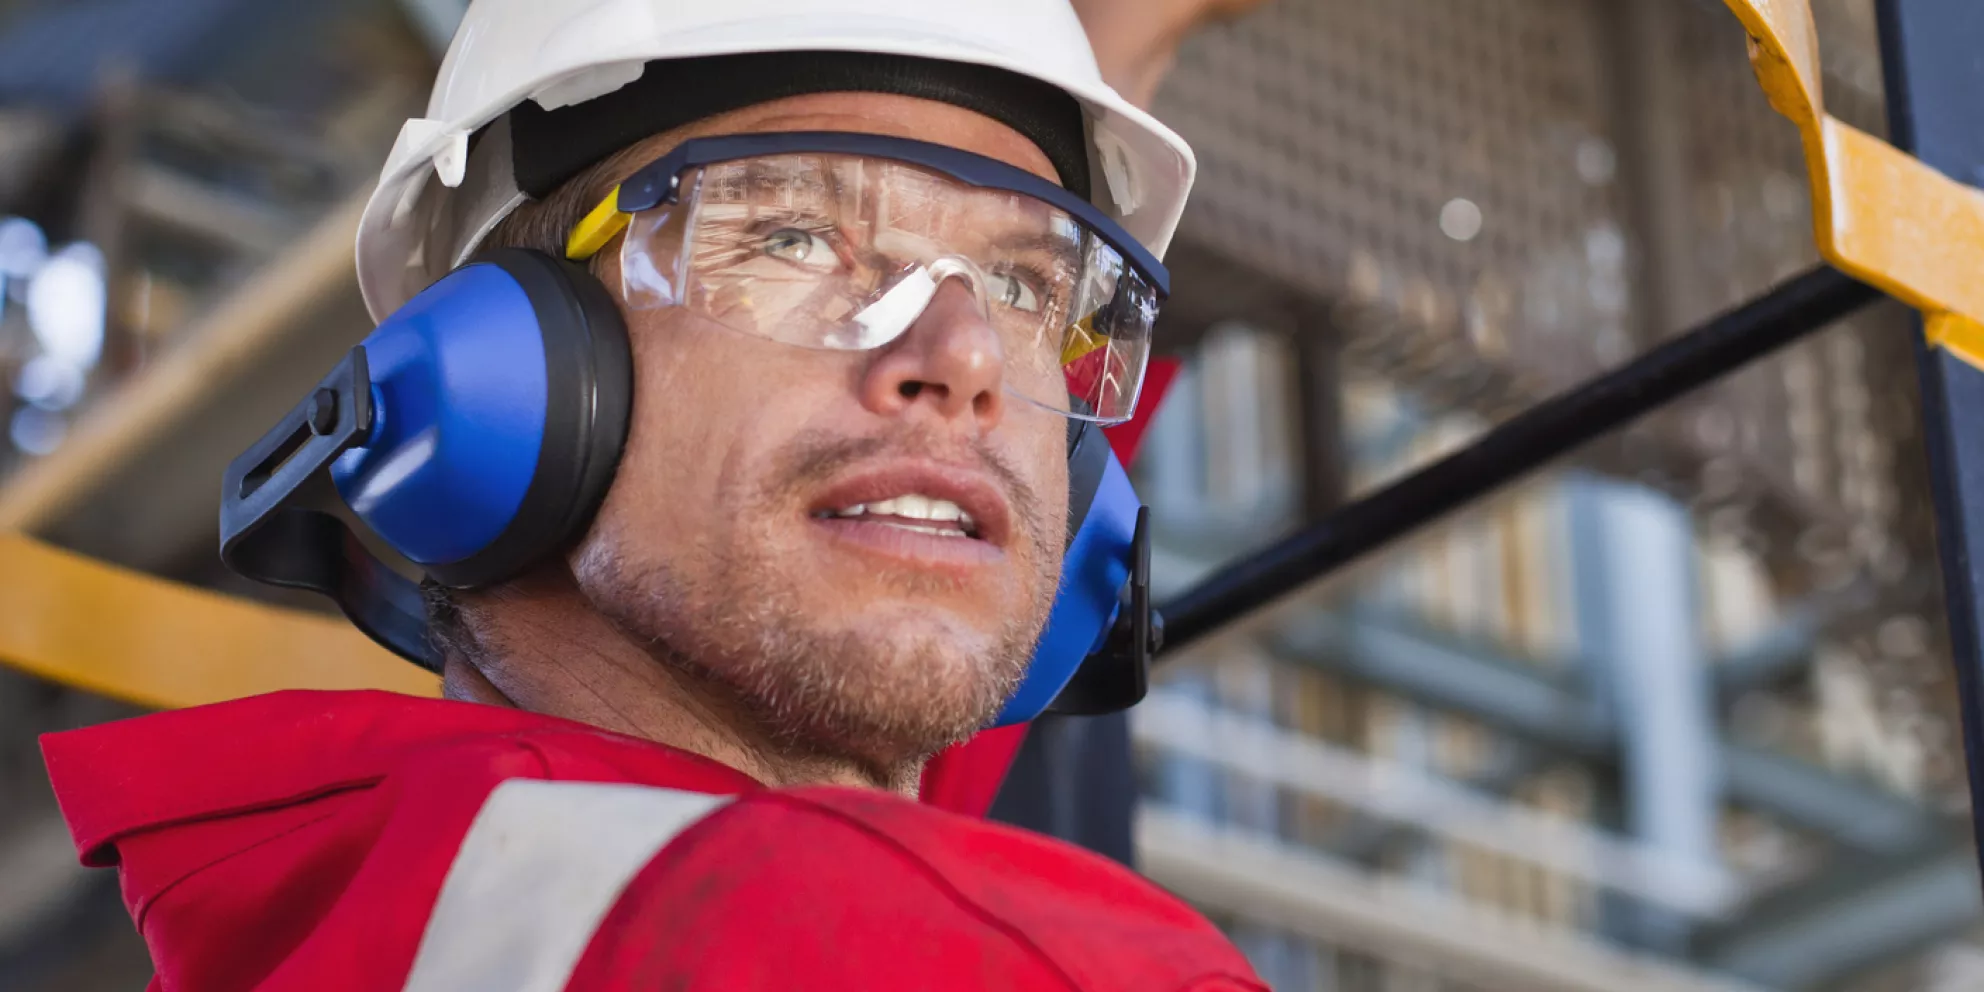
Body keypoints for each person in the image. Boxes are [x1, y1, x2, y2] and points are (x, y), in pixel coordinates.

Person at [41, 1, 1265, 988]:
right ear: (503, 378)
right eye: (789, 238)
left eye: (1023, 286)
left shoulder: (393, 903)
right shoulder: (909, 943)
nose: (967, 360)